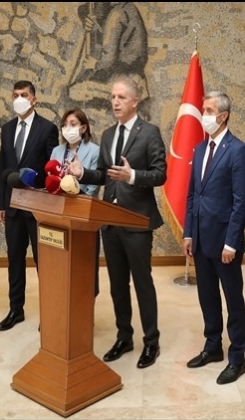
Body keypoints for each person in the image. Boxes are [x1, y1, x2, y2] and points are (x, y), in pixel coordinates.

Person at [67, 76, 166, 369]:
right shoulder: (108, 135)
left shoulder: (150, 133)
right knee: (117, 285)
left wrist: (132, 175)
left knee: (143, 284)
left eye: (121, 97)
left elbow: (160, 174)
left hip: (137, 222)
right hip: (109, 223)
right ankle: (124, 337)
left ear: (135, 101)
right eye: (112, 97)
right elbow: (103, 174)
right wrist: (82, 173)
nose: (115, 102)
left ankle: (151, 342)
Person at [182, 91, 245, 384]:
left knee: (232, 299)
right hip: (200, 238)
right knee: (207, 296)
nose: (204, 115)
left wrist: (231, 242)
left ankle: (237, 357)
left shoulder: (238, 151)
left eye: (209, 110)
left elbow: (241, 202)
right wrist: (188, 232)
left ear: (223, 116)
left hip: (224, 242)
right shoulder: (200, 149)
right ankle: (212, 346)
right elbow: (191, 195)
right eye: (203, 109)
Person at [0, 80, 59, 331]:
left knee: (43, 261)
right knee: (14, 259)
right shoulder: (7, 129)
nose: (19, 99)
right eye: (15, 95)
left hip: (38, 208)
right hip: (13, 206)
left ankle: (50, 311)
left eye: (23, 95)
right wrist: (1, 204)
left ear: (34, 100)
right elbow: (2, 167)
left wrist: (34, 181)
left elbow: (52, 167)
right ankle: (16, 310)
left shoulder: (47, 128)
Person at [51, 108, 101, 296]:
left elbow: (94, 186)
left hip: (84, 215)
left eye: (73, 124)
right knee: (61, 263)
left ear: (83, 127)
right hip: (59, 214)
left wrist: (75, 182)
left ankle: (86, 303)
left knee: (84, 264)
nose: (68, 128)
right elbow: (50, 179)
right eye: (65, 125)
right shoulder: (56, 151)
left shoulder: (94, 150)